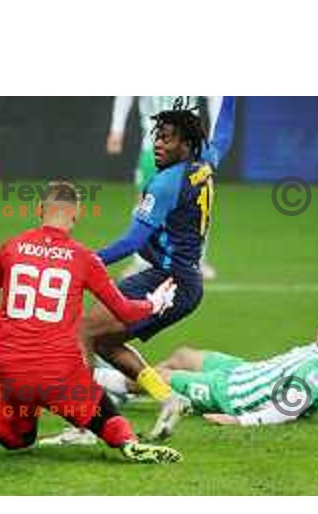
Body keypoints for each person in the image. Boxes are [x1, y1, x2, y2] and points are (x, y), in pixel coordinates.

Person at [0, 181, 182, 464]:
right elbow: (124, 311)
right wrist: (154, 303)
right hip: (58, 374)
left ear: (39, 209)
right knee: (103, 414)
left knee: (19, 435)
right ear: (76, 215)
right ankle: (129, 443)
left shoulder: (10, 248)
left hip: (9, 367)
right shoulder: (84, 259)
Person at [41, 101, 213, 446]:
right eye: (157, 137)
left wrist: (81, 259)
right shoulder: (205, 165)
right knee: (104, 339)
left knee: (83, 330)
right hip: (174, 277)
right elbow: (220, 134)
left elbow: (132, 241)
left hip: (168, 282)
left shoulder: (165, 184)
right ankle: (168, 397)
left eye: (167, 139)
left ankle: (84, 427)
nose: (158, 145)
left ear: (187, 144)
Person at [93, 305, 318, 437]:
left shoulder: (317, 370)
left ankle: (97, 380)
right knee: (183, 355)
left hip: (232, 395)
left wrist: (241, 421)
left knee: (161, 379)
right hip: (247, 371)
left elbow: (288, 408)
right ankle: (127, 389)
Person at [106, 96, 235, 280]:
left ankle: (195, 259)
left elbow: (216, 97)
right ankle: (141, 262)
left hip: (189, 148)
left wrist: (213, 133)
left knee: (196, 203)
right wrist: (116, 128)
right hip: (153, 148)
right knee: (145, 203)